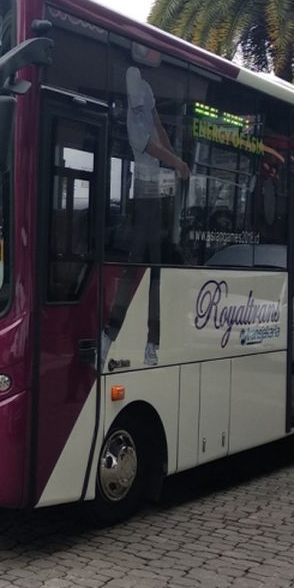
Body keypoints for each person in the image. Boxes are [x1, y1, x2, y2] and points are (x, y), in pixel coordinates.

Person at [100, 65, 191, 369]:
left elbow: (159, 127)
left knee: (156, 274)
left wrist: (175, 163)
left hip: (161, 200)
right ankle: (110, 336)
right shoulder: (131, 121)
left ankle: (153, 343)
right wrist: (176, 162)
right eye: (135, 95)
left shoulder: (146, 98)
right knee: (132, 269)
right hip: (143, 199)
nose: (139, 101)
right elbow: (151, 146)